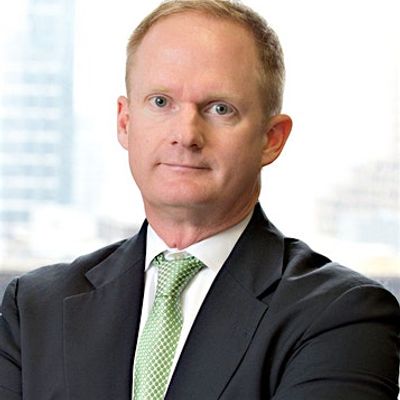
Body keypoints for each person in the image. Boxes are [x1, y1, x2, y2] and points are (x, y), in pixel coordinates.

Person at [0, 0, 399, 399]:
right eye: (161, 102)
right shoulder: (33, 309)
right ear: (125, 122)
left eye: (220, 109)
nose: (186, 135)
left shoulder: (343, 315)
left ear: (271, 138)